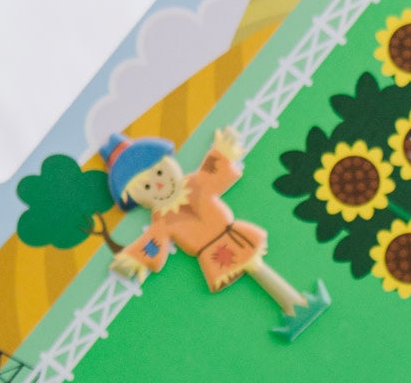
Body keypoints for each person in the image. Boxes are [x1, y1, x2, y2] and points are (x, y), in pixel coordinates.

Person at [102, 126, 332, 336]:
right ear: (133, 197)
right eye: (146, 186)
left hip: (232, 235)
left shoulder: (195, 183)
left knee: (256, 266)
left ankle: (296, 305)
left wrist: (223, 150)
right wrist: (134, 260)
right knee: (255, 268)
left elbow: (212, 171)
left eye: (159, 173)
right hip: (215, 252)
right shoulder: (162, 219)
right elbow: (153, 243)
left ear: (168, 162)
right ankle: (295, 305)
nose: (159, 185)